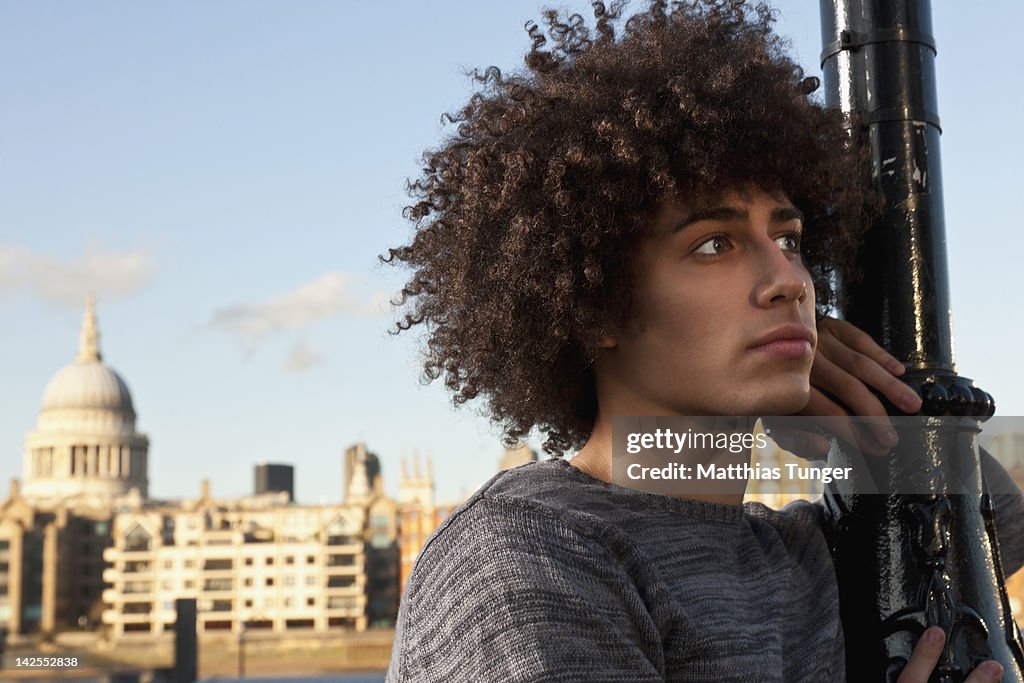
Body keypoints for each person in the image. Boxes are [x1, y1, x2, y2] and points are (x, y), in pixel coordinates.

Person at [382, 1, 1024, 681]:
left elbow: (995, 516)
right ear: (596, 305)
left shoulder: (801, 549)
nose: (788, 280)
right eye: (715, 244)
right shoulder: (526, 554)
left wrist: (859, 407)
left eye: (788, 240)